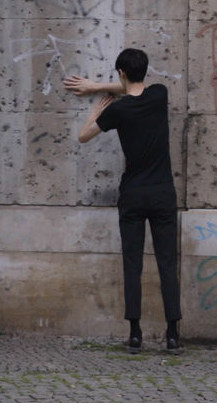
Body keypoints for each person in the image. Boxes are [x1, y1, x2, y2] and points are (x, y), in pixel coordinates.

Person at [64, 49, 182, 354]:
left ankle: (135, 334)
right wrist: (105, 85)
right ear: (145, 70)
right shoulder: (159, 95)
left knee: (133, 265)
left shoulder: (118, 111)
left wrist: (93, 104)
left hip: (132, 195)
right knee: (168, 263)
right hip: (162, 193)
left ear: (120, 72)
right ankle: (172, 335)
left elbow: (83, 136)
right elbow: (133, 87)